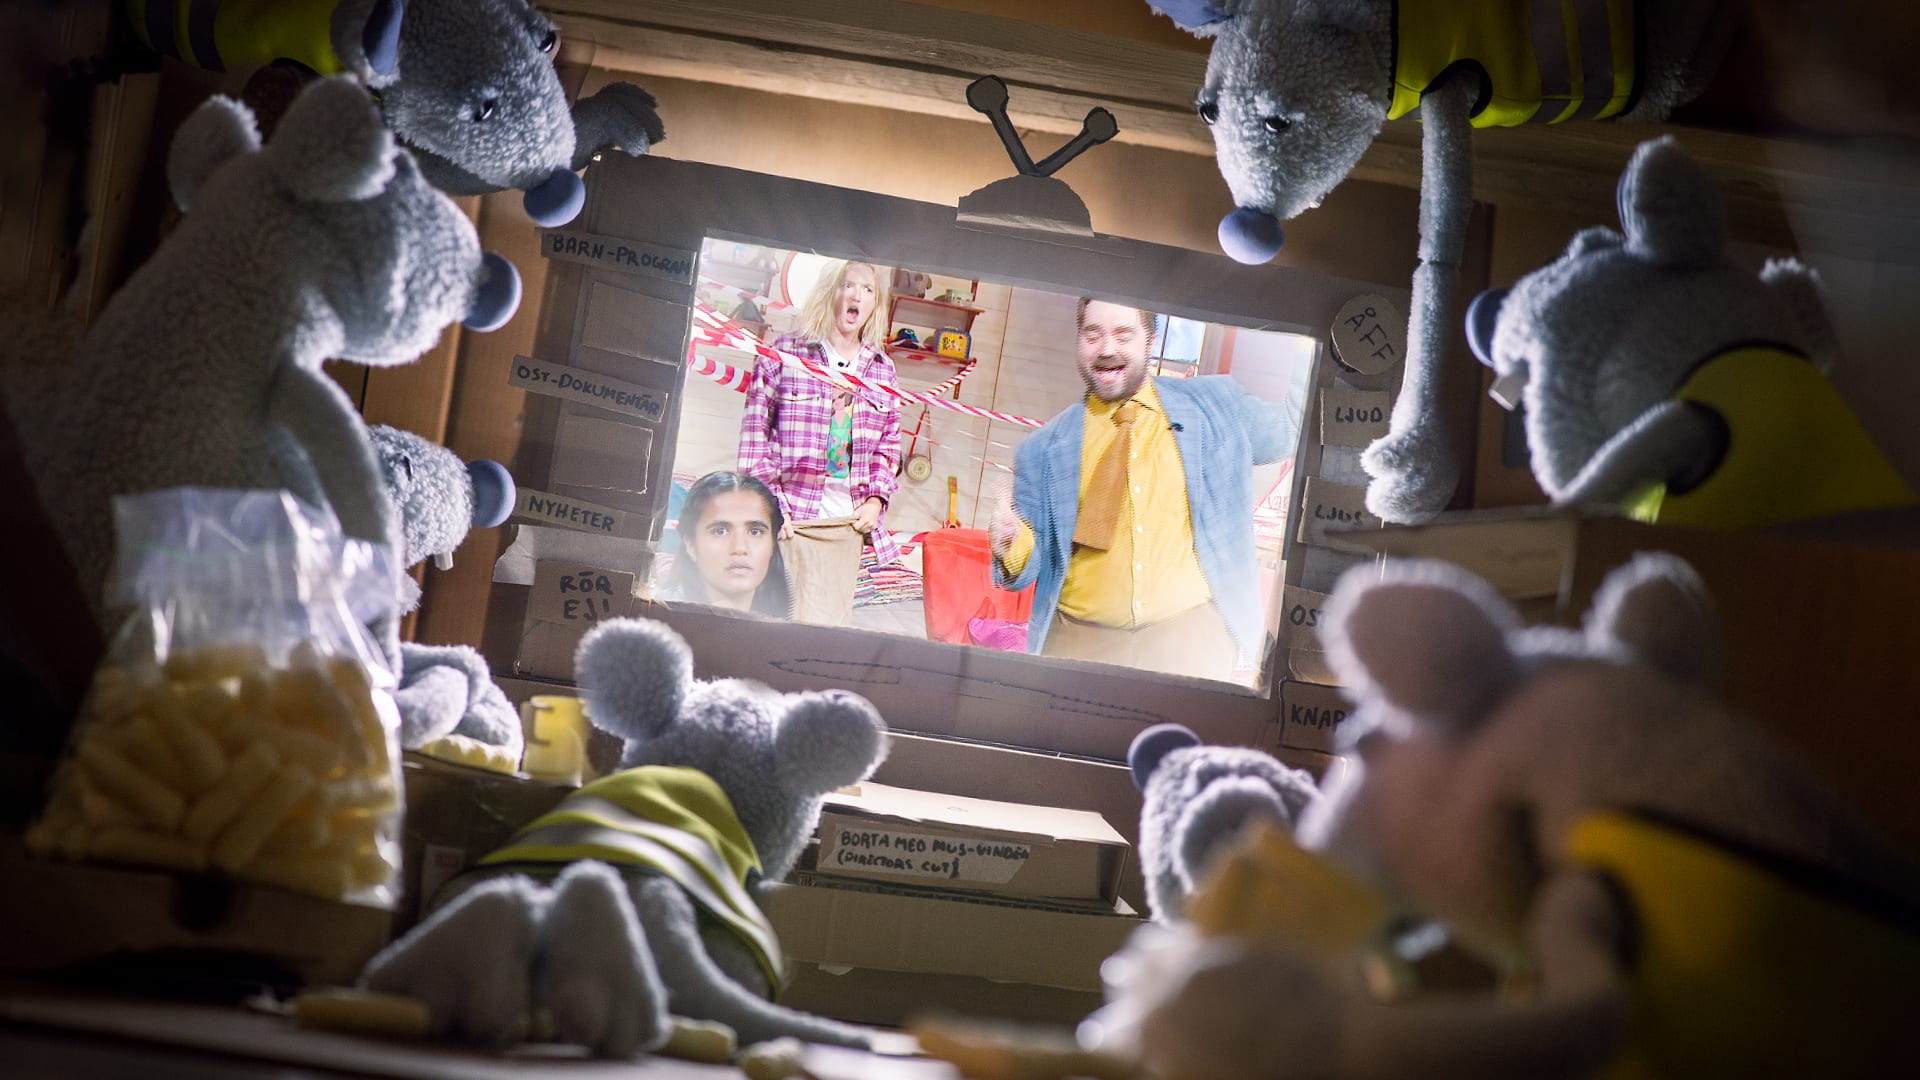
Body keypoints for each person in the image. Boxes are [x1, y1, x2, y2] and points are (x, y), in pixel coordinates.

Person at [991, 298, 1303, 683]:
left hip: (1189, 639)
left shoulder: (1215, 406)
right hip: (1078, 644)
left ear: (1150, 341)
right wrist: (1012, 545)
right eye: (1093, 335)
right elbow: (1026, 570)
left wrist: (1311, 335)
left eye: (1123, 335)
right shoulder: (1041, 449)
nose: (1107, 349)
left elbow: (1291, 429)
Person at [738, 259, 902, 624]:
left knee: (826, 631)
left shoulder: (882, 369)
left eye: (868, 289)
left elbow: (889, 444)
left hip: (848, 525)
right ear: (830, 291)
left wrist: (875, 500)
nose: (857, 295)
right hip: (788, 518)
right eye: (848, 285)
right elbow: (754, 437)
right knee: (769, 625)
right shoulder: (784, 353)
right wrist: (769, 505)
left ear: (875, 303)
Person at [661, 471, 792, 619]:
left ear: (773, 544)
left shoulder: (786, 623)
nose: (740, 548)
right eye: (720, 531)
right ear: (690, 545)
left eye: (755, 532)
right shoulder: (656, 619)